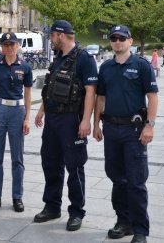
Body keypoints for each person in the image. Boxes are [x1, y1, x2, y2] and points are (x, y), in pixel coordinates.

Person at [93, 25, 158, 243]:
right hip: (111, 129)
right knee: (117, 179)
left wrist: (150, 125)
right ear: (111, 42)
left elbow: (152, 96)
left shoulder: (141, 65)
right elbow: (100, 98)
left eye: (122, 38)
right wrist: (95, 125)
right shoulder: (106, 67)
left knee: (136, 182)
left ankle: (140, 230)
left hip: (134, 131)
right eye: (114, 38)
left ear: (130, 41)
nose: (118, 42)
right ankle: (123, 222)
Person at [33, 19, 98, 232]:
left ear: (61, 35)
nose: (50, 39)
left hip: (71, 120)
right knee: (50, 164)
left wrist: (85, 120)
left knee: (74, 166)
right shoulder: (58, 58)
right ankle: (52, 206)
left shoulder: (84, 58)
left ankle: (76, 211)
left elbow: (91, 91)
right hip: (52, 119)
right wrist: (41, 111)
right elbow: (50, 88)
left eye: (51, 35)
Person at [0, 31, 33, 213]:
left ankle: (17, 197)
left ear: (17, 46)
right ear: (2, 48)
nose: (9, 48)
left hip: (17, 112)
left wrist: (27, 117)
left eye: (12, 44)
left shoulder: (26, 67)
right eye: (6, 45)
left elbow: (28, 93)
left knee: (17, 158)